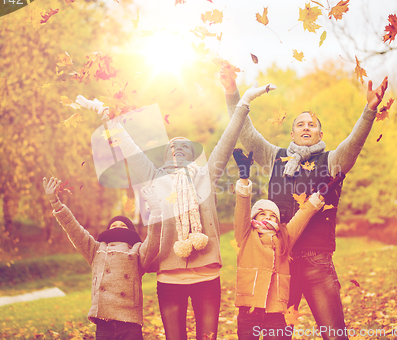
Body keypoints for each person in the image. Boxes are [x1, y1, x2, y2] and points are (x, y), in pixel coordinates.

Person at [75, 85, 273, 340]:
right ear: (165, 154)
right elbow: (128, 147)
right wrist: (104, 114)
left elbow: (228, 138)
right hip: (169, 279)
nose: (178, 147)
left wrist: (243, 101)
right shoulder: (154, 177)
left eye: (184, 146)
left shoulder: (207, 176)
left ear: (193, 154)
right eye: (172, 146)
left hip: (207, 276)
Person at [222, 73, 388, 340]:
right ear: (292, 132)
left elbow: (354, 144)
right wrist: (232, 92)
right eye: (300, 124)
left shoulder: (332, 161)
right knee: (279, 336)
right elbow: (246, 133)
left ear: (320, 133)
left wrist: (369, 110)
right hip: (279, 261)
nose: (306, 127)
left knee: (333, 334)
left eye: (312, 124)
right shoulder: (274, 157)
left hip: (316, 262)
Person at [43, 177, 162, 340]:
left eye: (123, 226)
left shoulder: (138, 250)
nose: (118, 227)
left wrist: (156, 212)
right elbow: (74, 229)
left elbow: (154, 241)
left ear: (131, 232)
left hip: (130, 322)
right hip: (104, 323)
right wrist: (55, 203)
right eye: (114, 225)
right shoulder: (96, 249)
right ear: (107, 231)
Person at [232, 148, 325, 340]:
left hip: (277, 306)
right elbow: (242, 207)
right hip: (250, 304)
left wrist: (318, 197)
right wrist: (243, 179)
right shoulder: (246, 235)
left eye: (272, 215)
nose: (267, 217)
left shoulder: (284, 237)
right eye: (262, 214)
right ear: (254, 218)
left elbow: (302, 216)